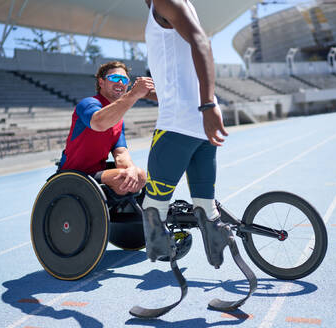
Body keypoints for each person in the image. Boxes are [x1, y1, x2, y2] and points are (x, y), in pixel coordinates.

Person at [130, 0, 242, 318]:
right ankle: (225, 255)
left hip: (177, 126)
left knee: (152, 211)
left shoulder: (166, 1)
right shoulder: (177, 5)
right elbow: (184, 60)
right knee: (206, 211)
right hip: (197, 131)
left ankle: (170, 257)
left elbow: (200, 40)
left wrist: (208, 104)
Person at [59, 61, 154, 195]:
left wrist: (131, 168)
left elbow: (121, 154)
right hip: (73, 174)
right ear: (101, 82)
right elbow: (99, 123)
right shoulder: (88, 103)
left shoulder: (118, 119)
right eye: (114, 78)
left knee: (140, 175)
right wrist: (133, 94)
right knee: (122, 178)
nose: (120, 82)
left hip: (95, 173)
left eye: (124, 79)